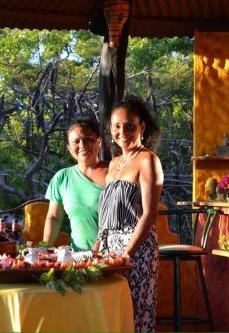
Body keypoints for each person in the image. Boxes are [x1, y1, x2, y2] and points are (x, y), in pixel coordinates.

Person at [96, 95, 163, 332]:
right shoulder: (113, 163)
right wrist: (97, 249)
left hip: (135, 250)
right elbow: (107, 215)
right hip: (107, 250)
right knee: (109, 315)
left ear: (142, 127)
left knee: (134, 315)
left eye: (129, 126)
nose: (122, 131)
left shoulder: (148, 160)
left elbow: (149, 215)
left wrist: (127, 254)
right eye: (116, 126)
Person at [43, 117, 109, 251]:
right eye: (76, 142)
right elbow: (54, 218)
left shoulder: (115, 172)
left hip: (113, 256)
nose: (82, 145)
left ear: (99, 142)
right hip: (79, 259)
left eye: (88, 139)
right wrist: (43, 248)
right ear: (69, 147)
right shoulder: (62, 178)